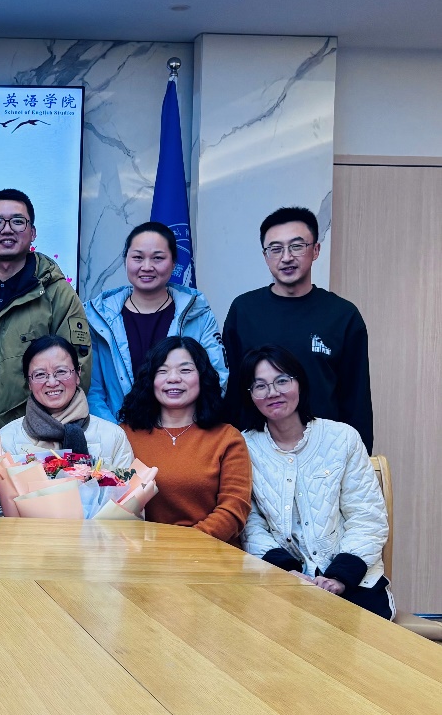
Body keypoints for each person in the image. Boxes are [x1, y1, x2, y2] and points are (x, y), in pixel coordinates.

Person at [239, 345, 393, 619]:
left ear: (300, 383)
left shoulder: (342, 438)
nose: (272, 392)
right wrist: (286, 572)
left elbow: (367, 517)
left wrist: (339, 576)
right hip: (281, 583)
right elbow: (250, 525)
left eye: (282, 381)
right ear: (250, 395)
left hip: (354, 582)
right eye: (260, 386)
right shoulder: (243, 446)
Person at [222, 207, 373, 450]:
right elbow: (233, 391)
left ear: (316, 250)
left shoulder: (343, 315)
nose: (286, 257)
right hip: (256, 451)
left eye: (296, 246)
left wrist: (360, 456)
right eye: (275, 249)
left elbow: (356, 398)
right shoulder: (244, 310)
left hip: (326, 451)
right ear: (265, 256)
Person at [0, 188, 91, 441]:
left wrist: (50, 431)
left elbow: (78, 367)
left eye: (17, 221)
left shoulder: (57, 295)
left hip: (32, 439)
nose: (6, 229)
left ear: (32, 232)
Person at [85, 222, 228, 421]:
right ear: (125, 260)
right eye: (138, 257)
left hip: (183, 430)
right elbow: (92, 389)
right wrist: (116, 433)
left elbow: (216, 377)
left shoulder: (197, 313)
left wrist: (181, 427)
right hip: (116, 431)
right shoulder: (97, 317)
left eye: (158, 258)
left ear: (174, 263)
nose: (146, 267)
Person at [119, 336, 251, 543]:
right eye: (162, 371)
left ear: (202, 377)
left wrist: (184, 544)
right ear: (150, 380)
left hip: (208, 552)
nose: (173, 378)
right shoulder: (123, 435)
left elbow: (234, 509)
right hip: (141, 552)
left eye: (185, 370)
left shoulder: (227, 438)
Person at [0, 334, 135, 470]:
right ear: (29, 383)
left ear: (78, 374)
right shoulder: (6, 440)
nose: (52, 382)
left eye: (61, 371)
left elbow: (127, 486)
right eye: (40, 374)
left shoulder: (113, 437)